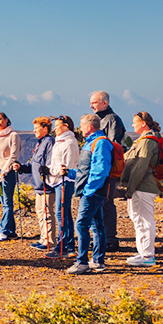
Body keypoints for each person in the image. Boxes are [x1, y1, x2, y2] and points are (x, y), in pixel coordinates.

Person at [66, 112, 114, 275]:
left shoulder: (100, 143)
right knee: (97, 224)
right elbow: (85, 170)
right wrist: (70, 173)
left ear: (89, 126)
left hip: (93, 192)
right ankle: (98, 261)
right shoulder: (93, 143)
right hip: (93, 191)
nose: (79, 129)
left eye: (81, 125)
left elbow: (100, 170)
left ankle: (82, 263)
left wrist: (88, 191)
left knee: (82, 224)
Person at [120, 111, 163, 268]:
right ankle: (144, 252)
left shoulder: (146, 142)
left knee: (144, 220)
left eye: (135, 122)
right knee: (139, 219)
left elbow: (141, 166)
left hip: (143, 186)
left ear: (143, 123)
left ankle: (147, 255)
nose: (132, 125)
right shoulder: (145, 140)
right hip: (142, 186)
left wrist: (130, 189)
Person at [90, 90, 128, 252]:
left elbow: (114, 145)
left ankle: (110, 240)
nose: (91, 105)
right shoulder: (101, 119)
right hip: (100, 169)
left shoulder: (112, 120)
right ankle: (102, 238)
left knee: (106, 203)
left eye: (94, 102)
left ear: (104, 102)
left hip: (108, 170)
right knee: (100, 204)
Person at [44, 115, 78, 260]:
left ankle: (65, 245)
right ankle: (65, 244)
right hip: (58, 180)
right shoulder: (61, 141)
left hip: (65, 180)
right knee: (62, 212)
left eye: (58, 125)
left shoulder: (69, 143)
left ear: (66, 126)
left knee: (62, 212)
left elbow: (67, 167)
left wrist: (53, 170)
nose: (55, 128)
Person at [0, 112, 22, 241]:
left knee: (7, 202)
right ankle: (10, 231)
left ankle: (3, 230)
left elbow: (14, 155)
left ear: (6, 119)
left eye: (0, 119)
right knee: (3, 202)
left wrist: (4, 171)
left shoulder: (13, 136)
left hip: (6, 173)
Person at [28, 117, 56, 251]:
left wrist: (46, 177)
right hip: (39, 185)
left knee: (47, 213)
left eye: (37, 128)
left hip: (46, 185)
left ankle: (50, 241)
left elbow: (48, 163)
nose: (34, 131)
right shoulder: (40, 143)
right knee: (40, 212)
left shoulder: (49, 142)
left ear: (45, 128)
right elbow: (35, 164)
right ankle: (43, 238)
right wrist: (22, 167)